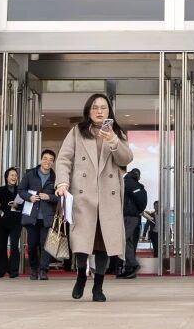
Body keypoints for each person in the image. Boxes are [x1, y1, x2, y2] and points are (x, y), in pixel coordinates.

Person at [55, 93, 134, 303]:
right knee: (81, 241)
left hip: (108, 197)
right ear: (88, 111)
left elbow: (126, 159)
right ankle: (81, 275)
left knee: (103, 244)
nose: (99, 111)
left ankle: (98, 285)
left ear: (109, 111)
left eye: (103, 108)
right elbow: (64, 159)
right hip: (84, 196)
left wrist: (113, 140)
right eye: (95, 108)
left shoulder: (116, 133)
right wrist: (62, 182)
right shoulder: (77, 132)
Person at [17, 149, 57, 280]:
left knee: (46, 245)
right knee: (32, 244)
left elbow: (59, 197)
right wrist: (29, 197)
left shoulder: (55, 178)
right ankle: (34, 269)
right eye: (45, 158)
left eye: (51, 160)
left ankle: (43, 270)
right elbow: (21, 190)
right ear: (41, 159)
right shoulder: (30, 174)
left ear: (53, 162)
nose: (47, 162)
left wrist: (49, 197)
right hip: (32, 216)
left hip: (46, 217)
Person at [119, 168, 148, 279]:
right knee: (127, 241)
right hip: (131, 216)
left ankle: (132, 265)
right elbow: (141, 201)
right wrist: (138, 210)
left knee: (124, 240)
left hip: (127, 216)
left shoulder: (127, 182)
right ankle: (129, 267)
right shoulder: (134, 184)